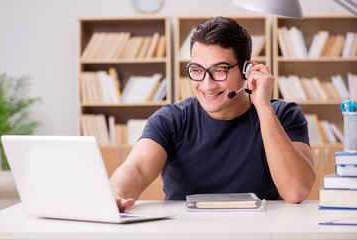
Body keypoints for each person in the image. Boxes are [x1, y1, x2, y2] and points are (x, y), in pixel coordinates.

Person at [110, 16, 315, 212]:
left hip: (259, 231)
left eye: (220, 70)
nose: (207, 85)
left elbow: (295, 191)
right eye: (197, 70)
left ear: (247, 71)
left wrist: (262, 107)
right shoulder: (171, 119)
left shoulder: (283, 115)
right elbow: (136, 168)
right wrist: (116, 193)